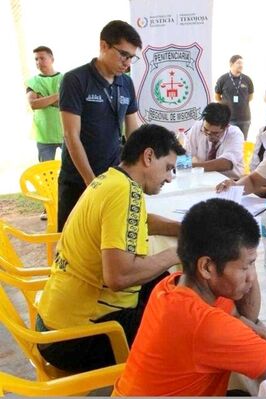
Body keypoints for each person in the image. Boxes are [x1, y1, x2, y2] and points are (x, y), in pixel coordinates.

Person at [113, 199, 266, 396]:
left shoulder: (173, 285)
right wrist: (262, 333)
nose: (251, 276)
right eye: (245, 267)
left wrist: (246, 263)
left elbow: (247, 314)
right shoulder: (207, 325)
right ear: (206, 267)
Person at [36, 124, 185, 372]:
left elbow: (142, 220)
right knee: (182, 329)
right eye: (168, 167)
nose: (170, 177)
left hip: (56, 320)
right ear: (148, 157)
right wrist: (179, 252)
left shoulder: (110, 180)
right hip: (72, 338)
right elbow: (119, 276)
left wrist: (184, 229)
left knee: (167, 284)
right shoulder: (125, 193)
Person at [58, 20, 141, 231]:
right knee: (73, 243)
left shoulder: (126, 83)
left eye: (132, 57)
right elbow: (71, 135)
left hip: (113, 176)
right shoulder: (75, 80)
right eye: (123, 54)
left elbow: (133, 133)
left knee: (112, 239)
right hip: (79, 179)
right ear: (104, 46)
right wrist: (91, 182)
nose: (127, 63)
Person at [183, 102, 244, 179]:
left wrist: (194, 165)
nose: (209, 135)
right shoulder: (197, 127)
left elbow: (226, 163)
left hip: (229, 180)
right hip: (202, 178)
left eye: (214, 133)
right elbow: (186, 154)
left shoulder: (235, 134)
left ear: (226, 127)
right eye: (205, 130)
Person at [26, 46, 63, 163]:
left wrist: (44, 100)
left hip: (66, 132)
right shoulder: (33, 82)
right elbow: (33, 104)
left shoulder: (65, 79)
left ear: (52, 59)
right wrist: (57, 95)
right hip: (44, 134)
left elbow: (69, 102)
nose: (38, 62)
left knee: (71, 169)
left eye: (42, 58)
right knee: (46, 171)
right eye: (36, 59)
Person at [215, 55, 254, 139]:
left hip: (244, 119)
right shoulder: (223, 79)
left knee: (243, 143)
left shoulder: (247, 79)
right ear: (231, 64)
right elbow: (217, 96)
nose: (241, 65)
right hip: (228, 119)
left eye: (242, 63)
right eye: (238, 63)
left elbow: (250, 96)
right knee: (228, 142)